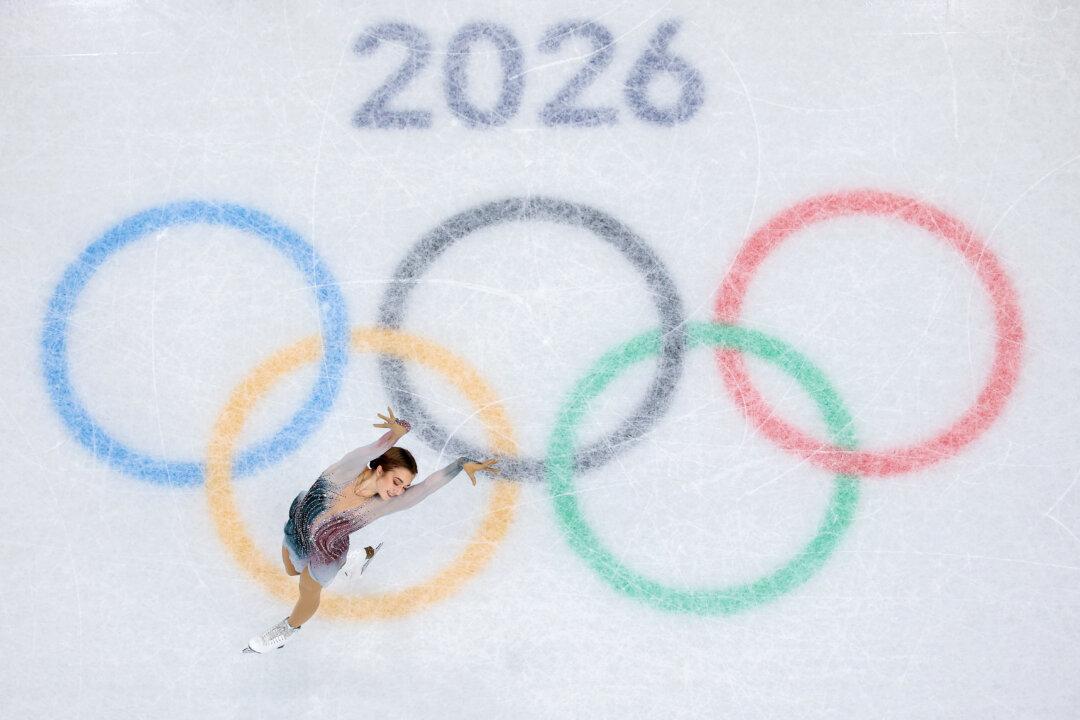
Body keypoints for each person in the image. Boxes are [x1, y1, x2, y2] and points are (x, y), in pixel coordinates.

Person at [244, 407, 498, 653]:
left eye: (404, 486)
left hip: (327, 551)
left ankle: (287, 630)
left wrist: (461, 464)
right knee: (291, 570)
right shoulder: (343, 472)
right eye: (397, 481)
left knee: (308, 588)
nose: (399, 491)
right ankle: (357, 561)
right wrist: (396, 435)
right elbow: (374, 448)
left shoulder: (383, 505)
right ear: (379, 469)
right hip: (299, 527)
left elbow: (427, 487)